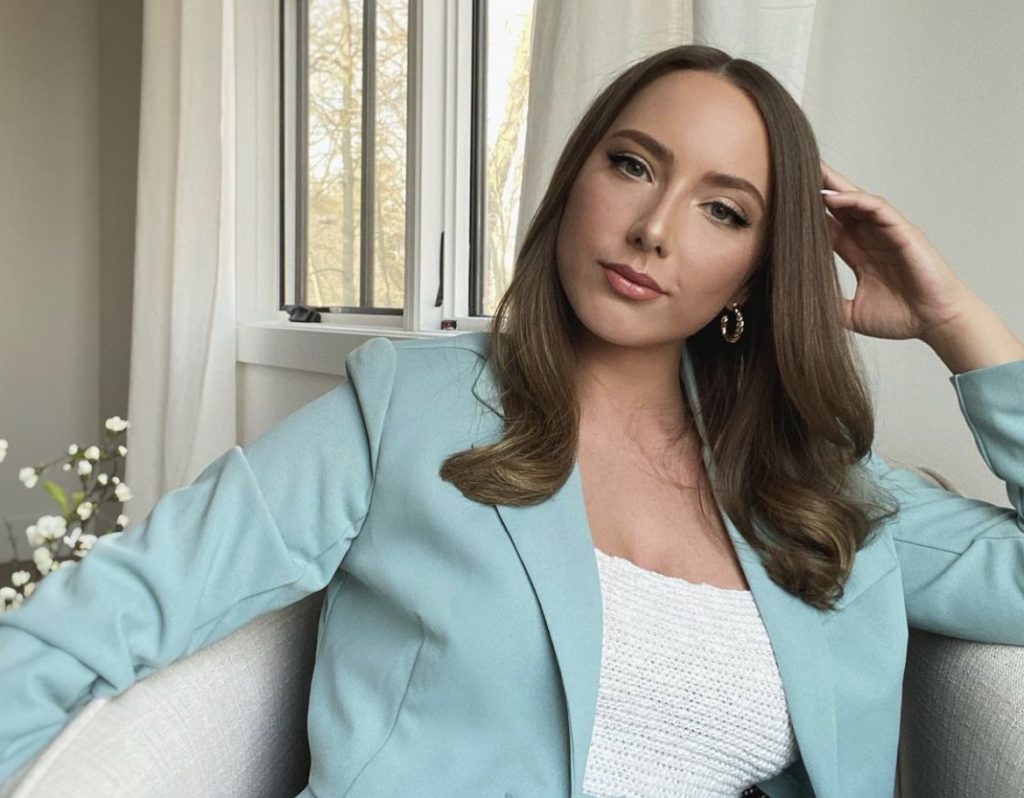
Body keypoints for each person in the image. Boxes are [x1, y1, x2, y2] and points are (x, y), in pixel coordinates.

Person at [1, 43, 1022, 798]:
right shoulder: (405, 408)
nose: (653, 229)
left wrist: (956, 323)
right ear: (574, 178)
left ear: (757, 271)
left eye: (723, 210)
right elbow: (110, 611)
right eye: (633, 165)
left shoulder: (818, 490)